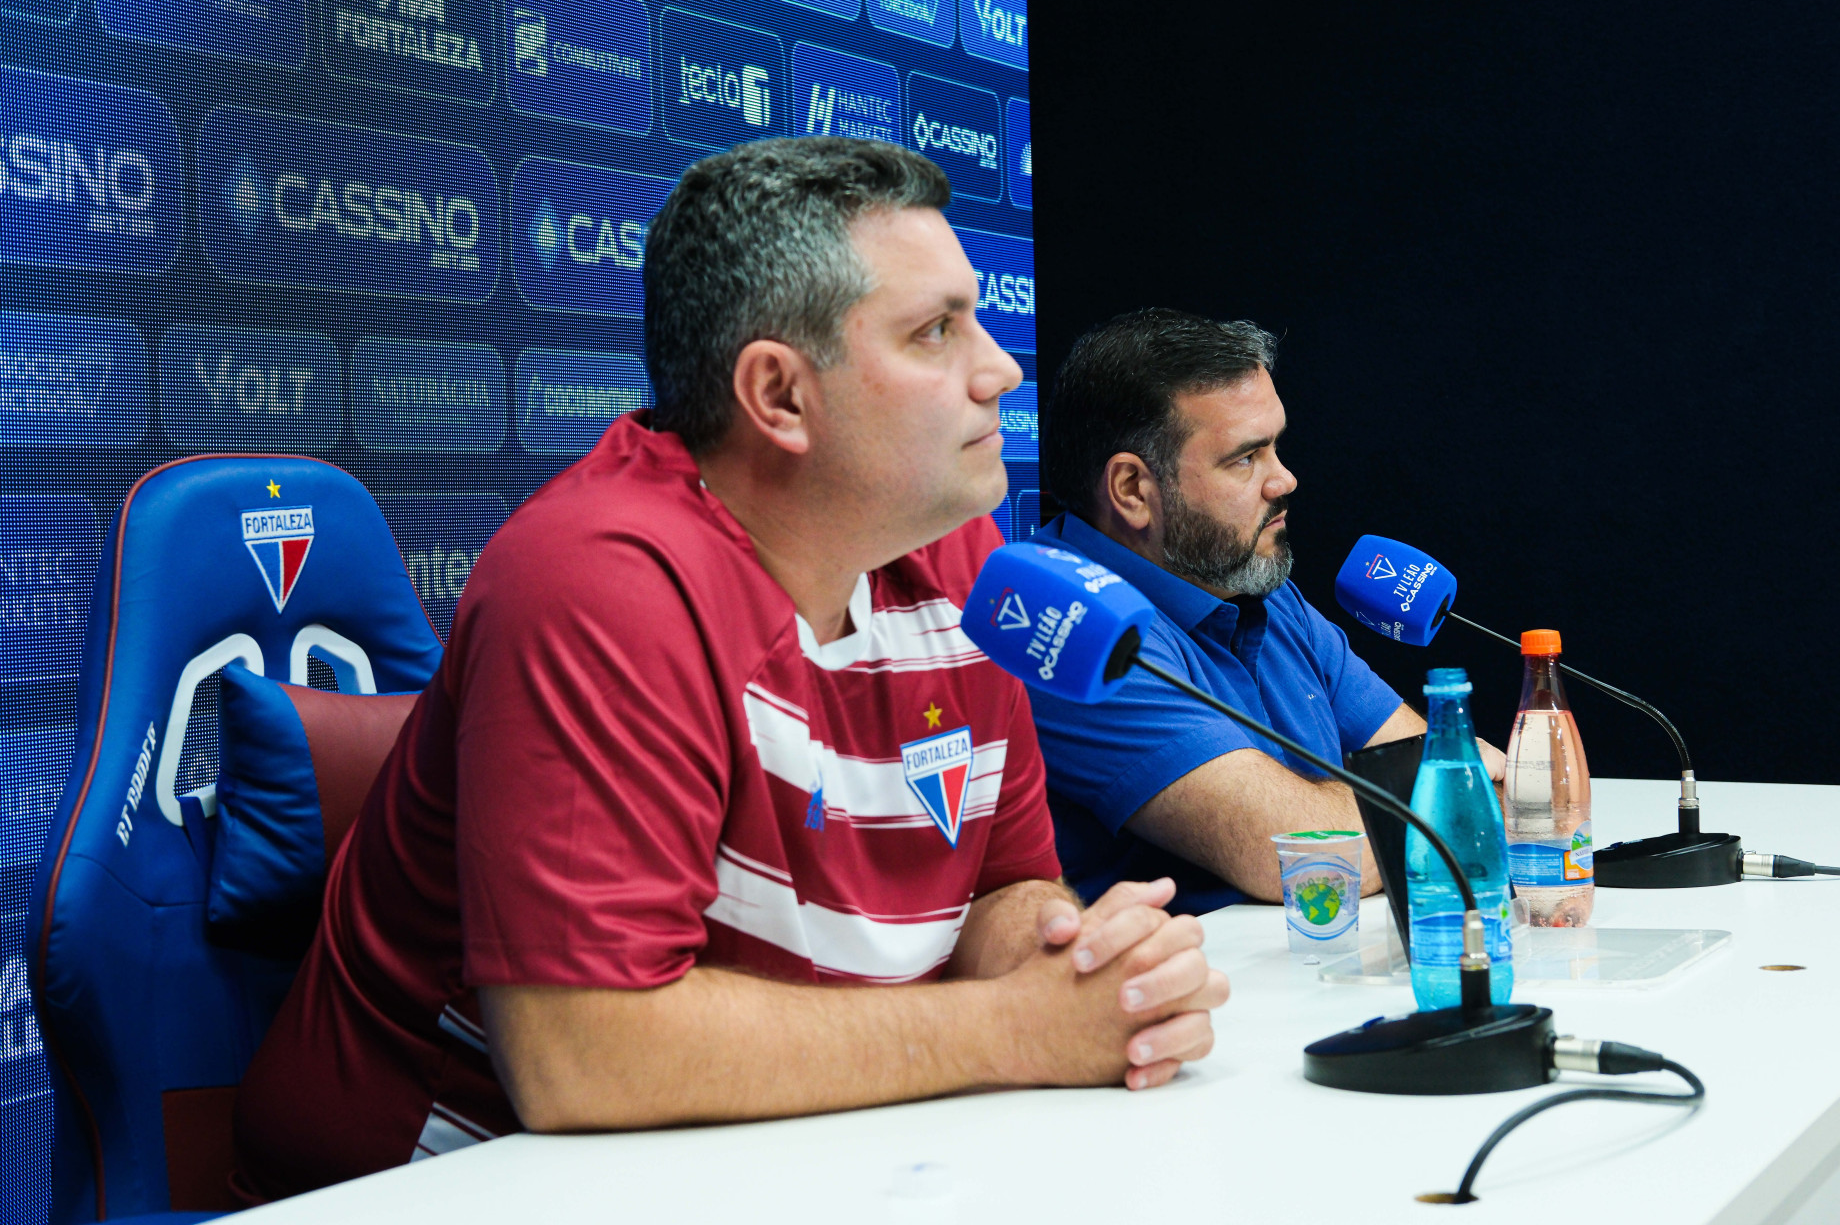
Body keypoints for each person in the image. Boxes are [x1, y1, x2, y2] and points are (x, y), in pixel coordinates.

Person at [232, 142, 1228, 1199]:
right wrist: (1010, 1027)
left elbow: (1003, 883)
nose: (998, 368)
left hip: (762, 1160)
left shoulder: (964, 559)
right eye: (935, 331)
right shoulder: (597, 582)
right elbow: (584, 1050)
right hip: (434, 1179)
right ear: (779, 395)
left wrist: (1075, 959)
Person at [1029, 309, 1506, 915]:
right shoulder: (1072, 627)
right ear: (1131, 490)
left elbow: (1447, 774)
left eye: (1275, 446)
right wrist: (1425, 799)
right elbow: (1309, 858)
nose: (1285, 480)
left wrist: (1424, 797)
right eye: (1245, 459)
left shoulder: (1256, 584)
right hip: (1190, 993)